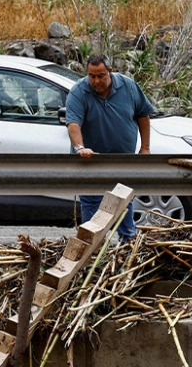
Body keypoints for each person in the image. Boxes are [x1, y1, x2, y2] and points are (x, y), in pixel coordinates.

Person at [65, 54, 155, 242]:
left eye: (101, 76)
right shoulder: (79, 91)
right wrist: (80, 147)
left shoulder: (128, 86)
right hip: (90, 162)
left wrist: (145, 148)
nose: (96, 81)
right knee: (92, 214)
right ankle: (92, 249)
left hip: (122, 162)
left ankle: (128, 245)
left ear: (110, 72)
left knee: (123, 205)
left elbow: (143, 115)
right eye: (92, 76)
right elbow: (73, 124)